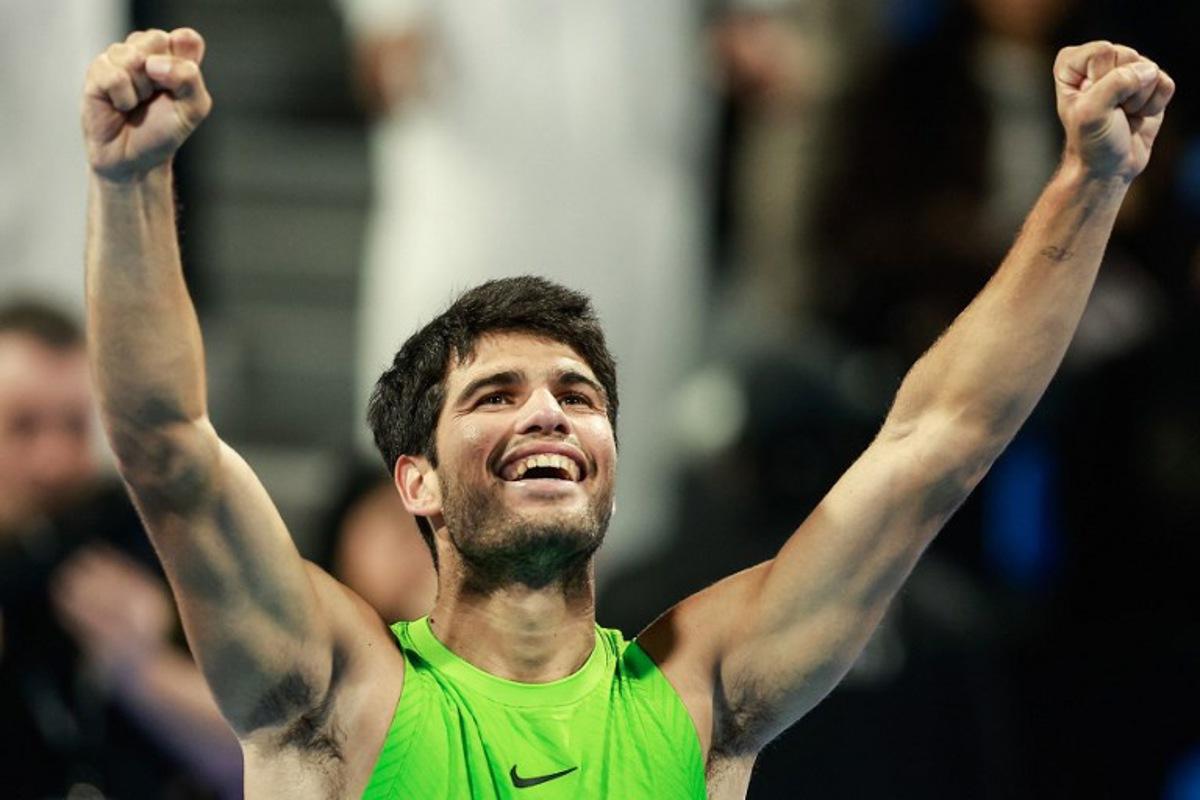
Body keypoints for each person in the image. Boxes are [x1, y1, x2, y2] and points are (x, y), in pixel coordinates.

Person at [82, 27, 1174, 799]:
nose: (549, 414)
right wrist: (132, 186)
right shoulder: (335, 693)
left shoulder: (701, 694)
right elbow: (168, 447)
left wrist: (1090, 181)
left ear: (610, 456)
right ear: (414, 478)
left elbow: (941, 441)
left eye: (578, 395)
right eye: (495, 394)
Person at [0, 301, 240, 797]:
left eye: (74, 427)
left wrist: (141, 669)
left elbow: (260, 768)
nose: (55, 461)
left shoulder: (131, 541)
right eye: (22, 427)